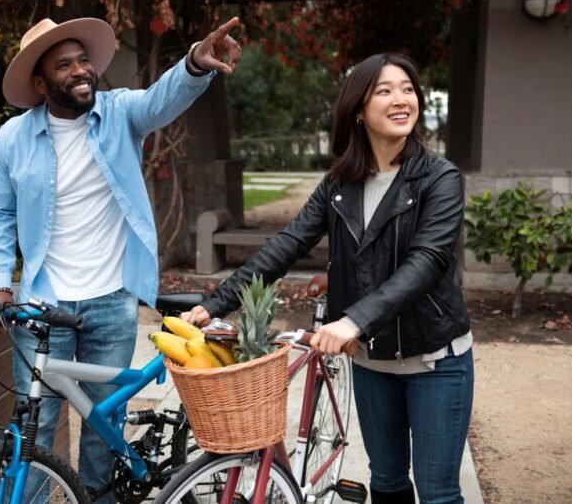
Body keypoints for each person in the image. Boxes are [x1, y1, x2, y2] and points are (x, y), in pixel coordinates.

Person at [183, 53, 473, 504]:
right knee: (388, 481)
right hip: (374, 363)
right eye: (385, 90)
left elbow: (428, 262)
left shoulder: (439, 178)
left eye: (408, 89)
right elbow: (288, 244)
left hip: (434, 359)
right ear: (358, 108)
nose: (402, 100)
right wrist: (216, 303)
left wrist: (352, 321)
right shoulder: (340, 182)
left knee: (437, 493)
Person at [0, 16, 241, 503]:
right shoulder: (13, 138)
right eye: (65, 64)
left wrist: (193, 65)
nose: (80, 70)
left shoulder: (119, 113)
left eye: (83, 60)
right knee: (33, 429)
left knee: (104, 426)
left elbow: (160, 99)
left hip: (111, 301)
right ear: (41, 83)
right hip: (40, 307)